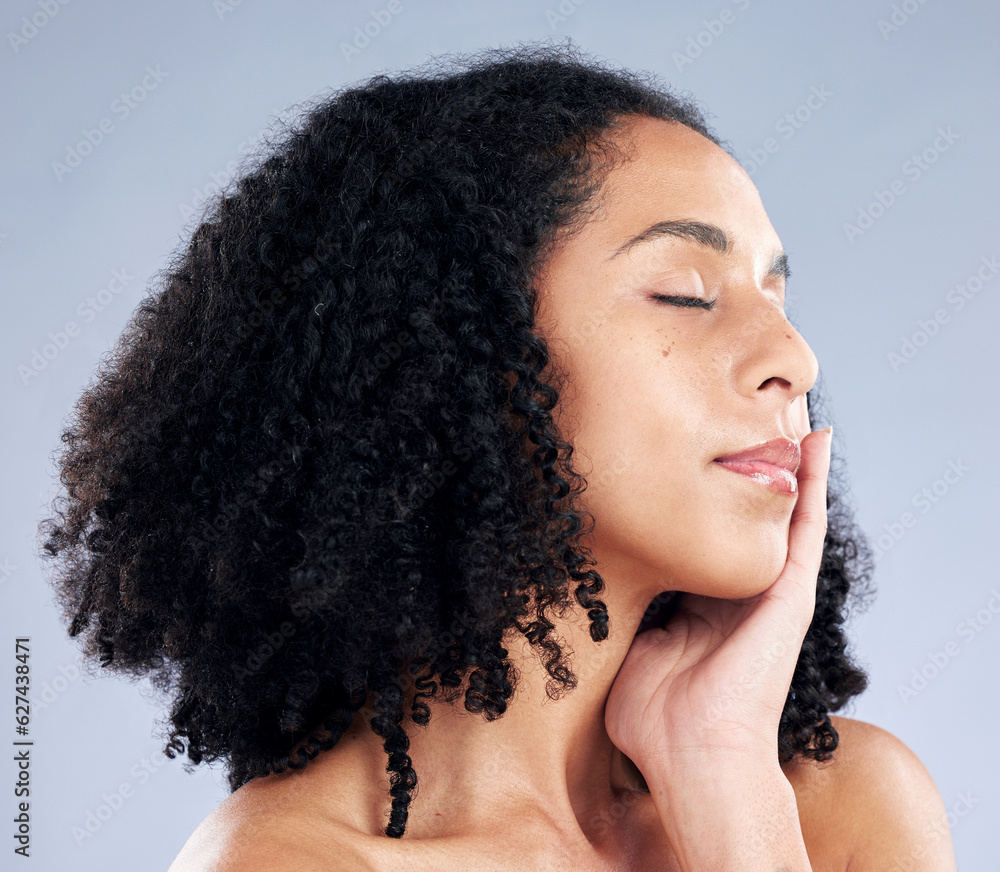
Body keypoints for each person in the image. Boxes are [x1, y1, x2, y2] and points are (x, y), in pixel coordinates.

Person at [38, 43, 957, 871]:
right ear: (451, 357)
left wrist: (724, 778)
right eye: (684, 291)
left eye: (777, 295)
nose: (795, 359)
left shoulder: (843, 808)